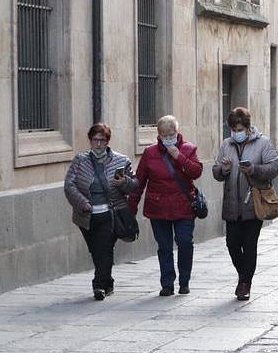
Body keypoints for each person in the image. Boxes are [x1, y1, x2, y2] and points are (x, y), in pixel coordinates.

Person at [128, 115, 204, 297]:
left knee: (185, 242)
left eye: (172, 134)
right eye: (165, 135)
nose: (169, 138)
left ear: (177, 133)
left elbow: (196, 171)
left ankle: (184, 281)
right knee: (164, 247)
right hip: (158, 207)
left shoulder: (189, 149)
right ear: (159, 135)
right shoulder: (150, 153)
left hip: (183, 206)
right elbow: (139, 182)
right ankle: (167, 284)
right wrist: (131, 207)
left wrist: (180, 158)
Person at [64, 123, 139, 301]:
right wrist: (82, 203)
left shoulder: (121, 160)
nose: (98, 144)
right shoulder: (80, 161)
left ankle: (98, 286)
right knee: (96, 251)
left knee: (104, 249)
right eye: (95, 140)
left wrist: (124, 183)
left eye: (102, 140)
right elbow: (69, 185)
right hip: (86, 215)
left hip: (111, 213)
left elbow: (135, 185)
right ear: (90, 141)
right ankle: (108, 281)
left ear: (107, 142)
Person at [212, 107, 278, 301]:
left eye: (239, 128)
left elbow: (274, 167)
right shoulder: (227, 144)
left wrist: (254, 170)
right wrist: (224, 170)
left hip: (254, 203)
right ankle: (244, 275)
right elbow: (216, 171)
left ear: (248, 128)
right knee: (232, 243)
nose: (236, 132)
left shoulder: (263, 143)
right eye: (233, 129)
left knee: (249, 244)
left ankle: (244, 284)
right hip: (232, 204)